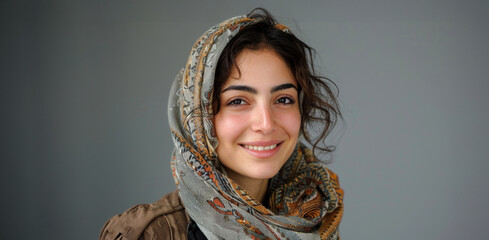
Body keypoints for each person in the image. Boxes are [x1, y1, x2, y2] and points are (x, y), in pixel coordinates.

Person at [100, 8, 343, 240]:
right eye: (238, 101)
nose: (266, 124)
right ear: (197, 118)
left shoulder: (313, 213)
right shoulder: (150, 233)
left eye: (283, 99)